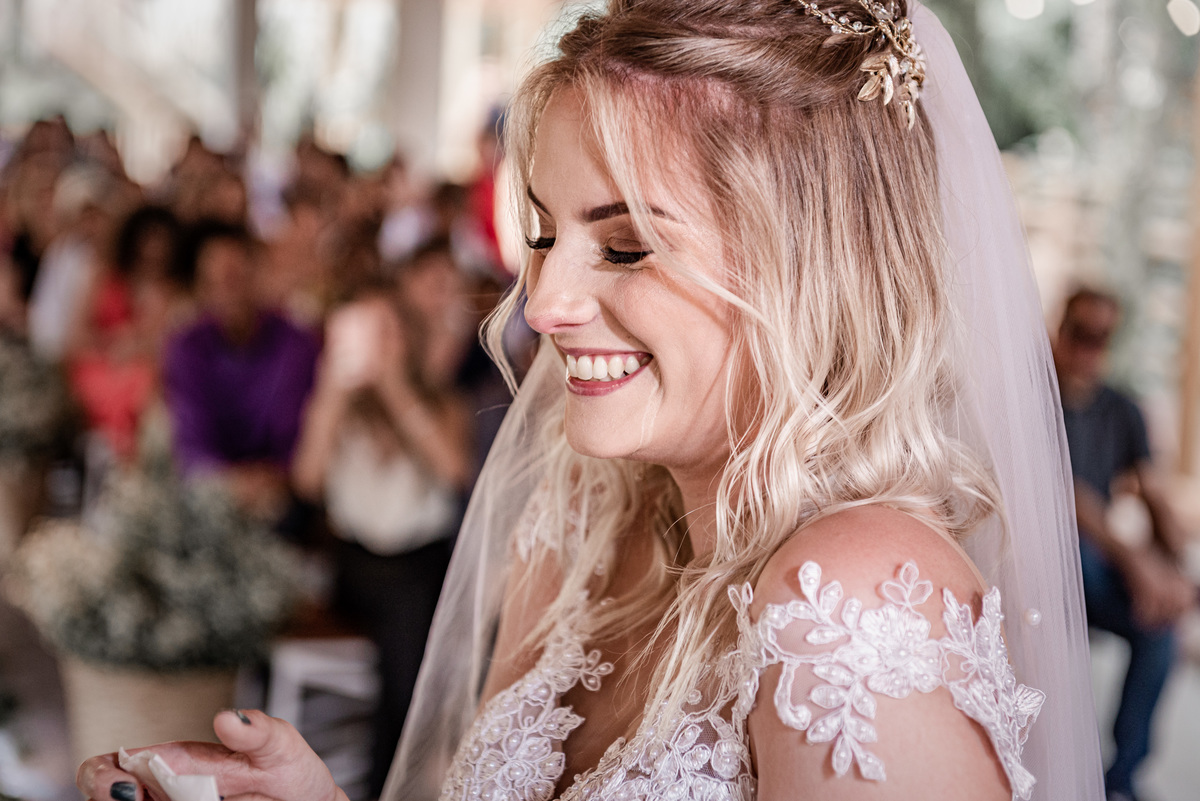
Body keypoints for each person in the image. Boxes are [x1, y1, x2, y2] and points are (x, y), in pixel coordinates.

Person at [77, 3, 1104, 801]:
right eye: (544, 234)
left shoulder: (851, 603)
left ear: (809, 273)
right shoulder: (580, 517)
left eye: (623, 246)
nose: (545, 300)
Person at [290, 254, 475, 797]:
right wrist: (332, 391)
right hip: (356, 563)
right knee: (407, 625)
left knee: (414, 623)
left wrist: (395, 387)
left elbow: (453, 469)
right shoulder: (335, 404)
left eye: (386, 330)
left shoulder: (440, 402)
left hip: (422, 563)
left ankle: (390, 781)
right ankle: (391, 780)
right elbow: (306, 481)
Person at [1053, 287, 1194, 801]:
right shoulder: (1035, 398)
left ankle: (1122, 781)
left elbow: (1152, 490)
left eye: (1101, 337)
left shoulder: (1122, 409)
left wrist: (1174, 565)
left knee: (1160, 628)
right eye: (1081, 333)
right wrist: (1139, 565)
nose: (1089, 347)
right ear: (1062, 329)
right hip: (1049, 561)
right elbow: (1072, 497)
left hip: (1100, 561)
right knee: (1096, 560)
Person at [162, 219, 319, 519]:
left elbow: (298, 440)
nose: (227, 292)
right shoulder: (186, 347)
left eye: (235, 278)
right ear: (199, 288)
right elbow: (192, 444)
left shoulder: (297, 343)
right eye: (213, 282)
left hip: (284, 493)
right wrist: (234, 484)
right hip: (215, 493)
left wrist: (272, 479)